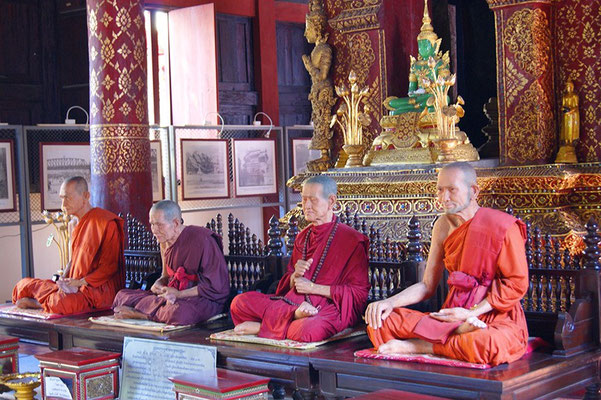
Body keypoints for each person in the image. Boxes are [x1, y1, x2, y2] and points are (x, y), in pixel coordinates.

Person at [365, 162, 529, 366]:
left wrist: (471, 313)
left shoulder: (503, 226)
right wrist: (388, 303)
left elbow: (517, 284)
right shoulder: (443, 225)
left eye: (452, 190)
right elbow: (426, 286)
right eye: (440, 190)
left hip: (492, 316)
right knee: (381, 321)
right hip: (451, 315)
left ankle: (420, 346)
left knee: (487, 343)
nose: (444, 198)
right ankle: (456, 334)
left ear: (474, 191)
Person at [230, 175, 370, 342]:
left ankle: (262, 327)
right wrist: (295, 276)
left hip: (328, 307)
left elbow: (358, 294)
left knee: (306, 330)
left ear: (331, 201)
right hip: (294, 303)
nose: (306, 206)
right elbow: (288, 286)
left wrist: (313, 288)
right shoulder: (303, 237)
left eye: (313, 200)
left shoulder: (352, 240)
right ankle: (294, 316)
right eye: (303, 200)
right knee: (239, 303)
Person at [13, 176, 124, 314]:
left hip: (96, 289)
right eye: (61, 198)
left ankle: (38, 304)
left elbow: (110, 267)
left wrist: (81, 282)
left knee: (63, 303)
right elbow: (74, 260)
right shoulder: (73, 224)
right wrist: (63, 280)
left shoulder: (106, 223)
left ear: (86, 196)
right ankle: (48, 300)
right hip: (74, 285)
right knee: (23, 285)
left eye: (68, 198)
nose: (63, 204)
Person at [112, 200, 229, 325]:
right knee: (122, 296)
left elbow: (215, 287)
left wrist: (179, 294)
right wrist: (158, 284)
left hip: (202, 299)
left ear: (176, 223)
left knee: (179, 313)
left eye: (159, 225)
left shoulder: (203, 240)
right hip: (172, 295)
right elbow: (166, 276)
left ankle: (140, 315)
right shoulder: (164, 241)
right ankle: (155, 312)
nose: (154, 230)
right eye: (152, 224)